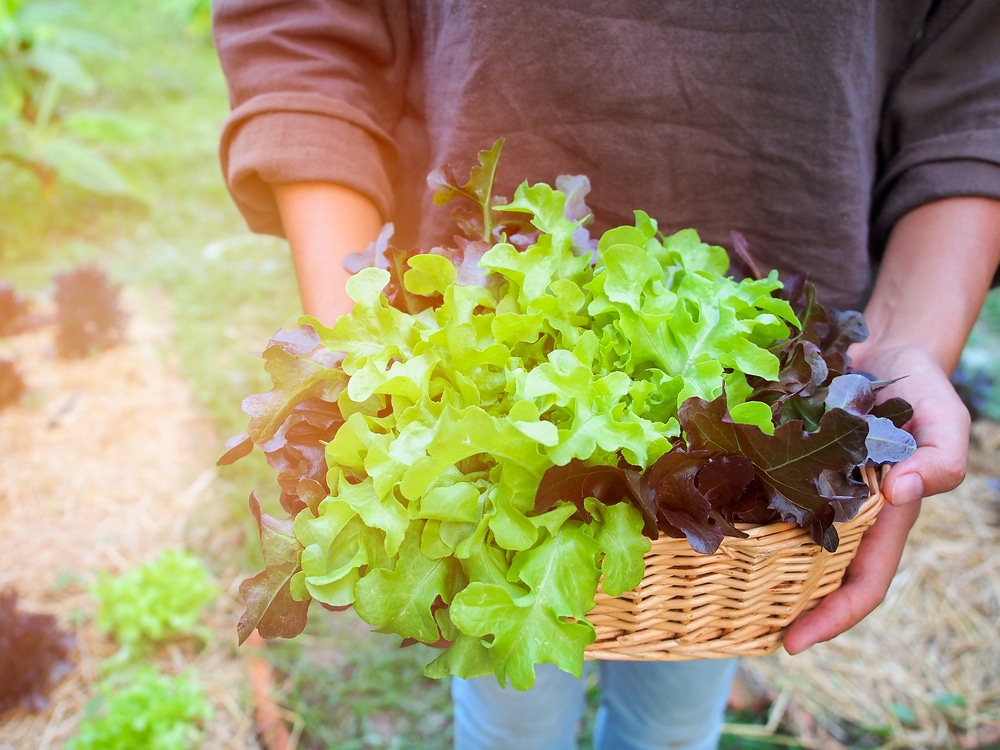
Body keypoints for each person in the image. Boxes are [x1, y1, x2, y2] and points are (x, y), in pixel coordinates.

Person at [211, 3, 1000, 748]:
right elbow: (304, 28)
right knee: (511, 715)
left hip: (745, 435)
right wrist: (364, 348)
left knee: (673, 713)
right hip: (479, 348)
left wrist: (910, 344)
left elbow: (974, 74)